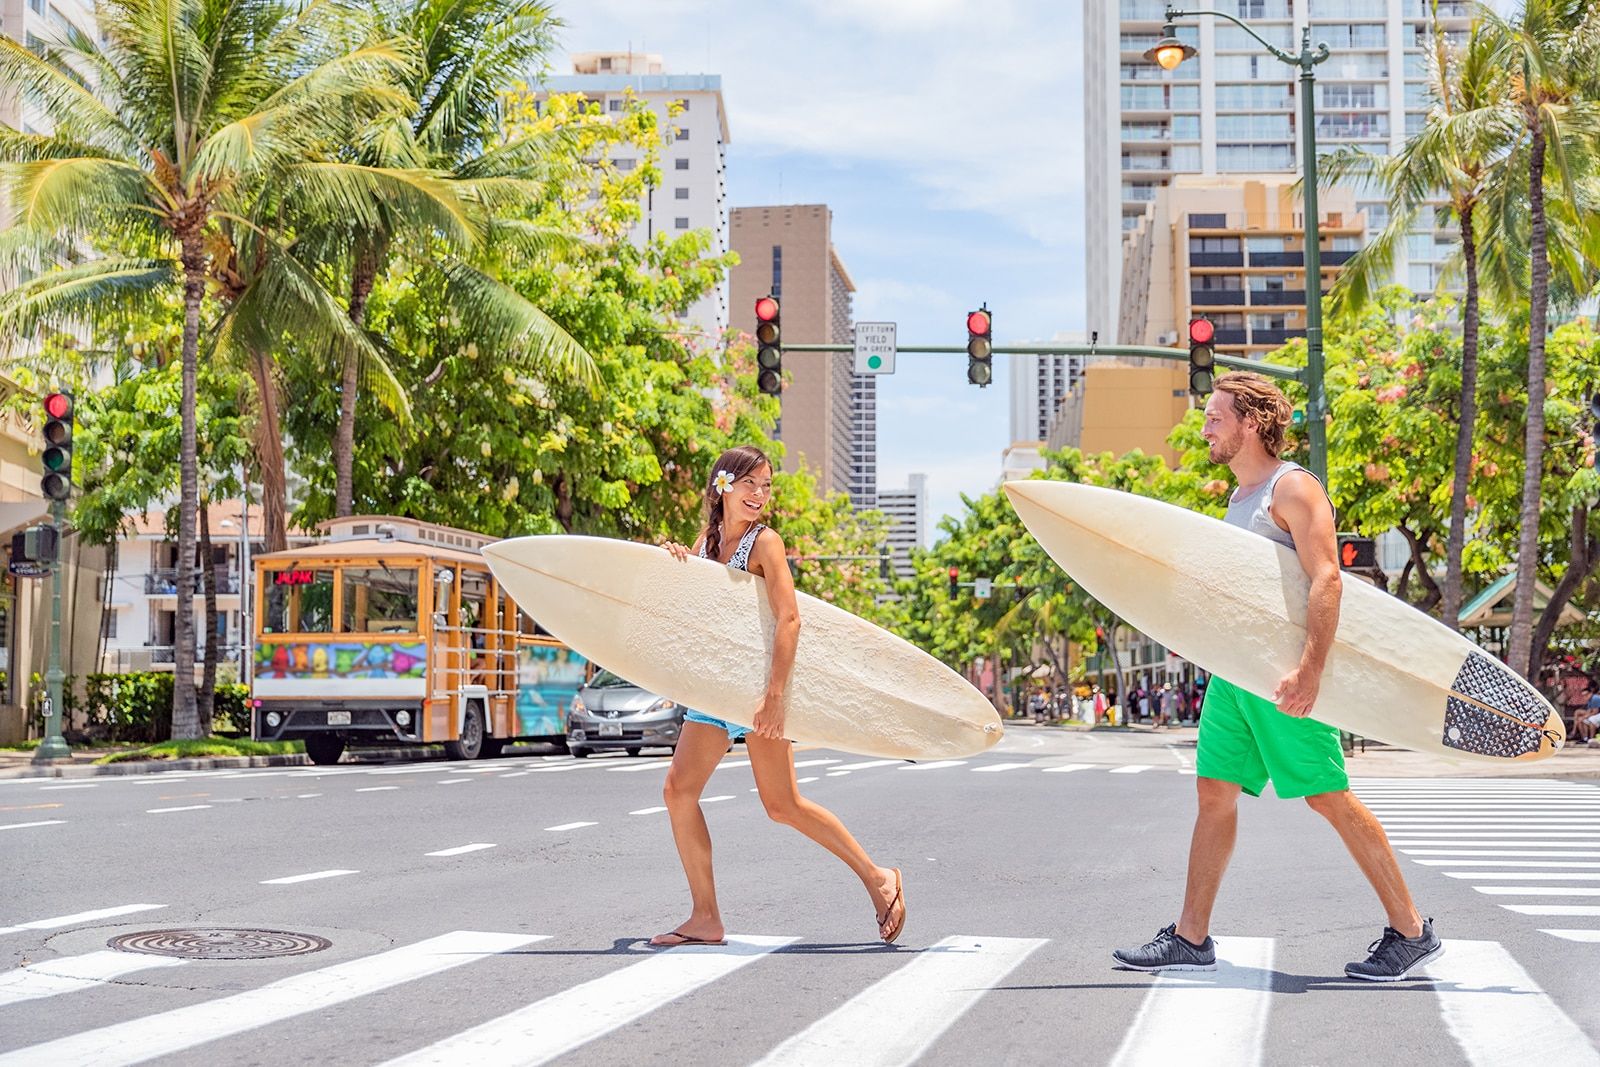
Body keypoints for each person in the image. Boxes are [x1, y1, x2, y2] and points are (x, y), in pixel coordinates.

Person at [1113, 372, 1441, 981]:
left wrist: (1311, 671)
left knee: (1327, 795)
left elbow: (1327, 579)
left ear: (1252, 424)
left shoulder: (1292, 489)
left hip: (1284, 676)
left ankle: (1411, 930)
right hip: (1235, 675)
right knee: (1213, 793)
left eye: (1216, 417)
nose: (1205, 426)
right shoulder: (1240, 499)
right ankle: (1191, 937)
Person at [653, 445, 906, 947]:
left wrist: (774, 696)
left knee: (782, 805)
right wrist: (673, 561)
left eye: (766, 487)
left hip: (758, 689)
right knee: (678, 792)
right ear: (722, 486)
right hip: (716, 689)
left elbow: (789, 618)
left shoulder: (765, 543)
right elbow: (689, 611)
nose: (760, 495)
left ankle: (880, 878)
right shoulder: (704, 544)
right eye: (751, 484)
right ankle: (705, 916)